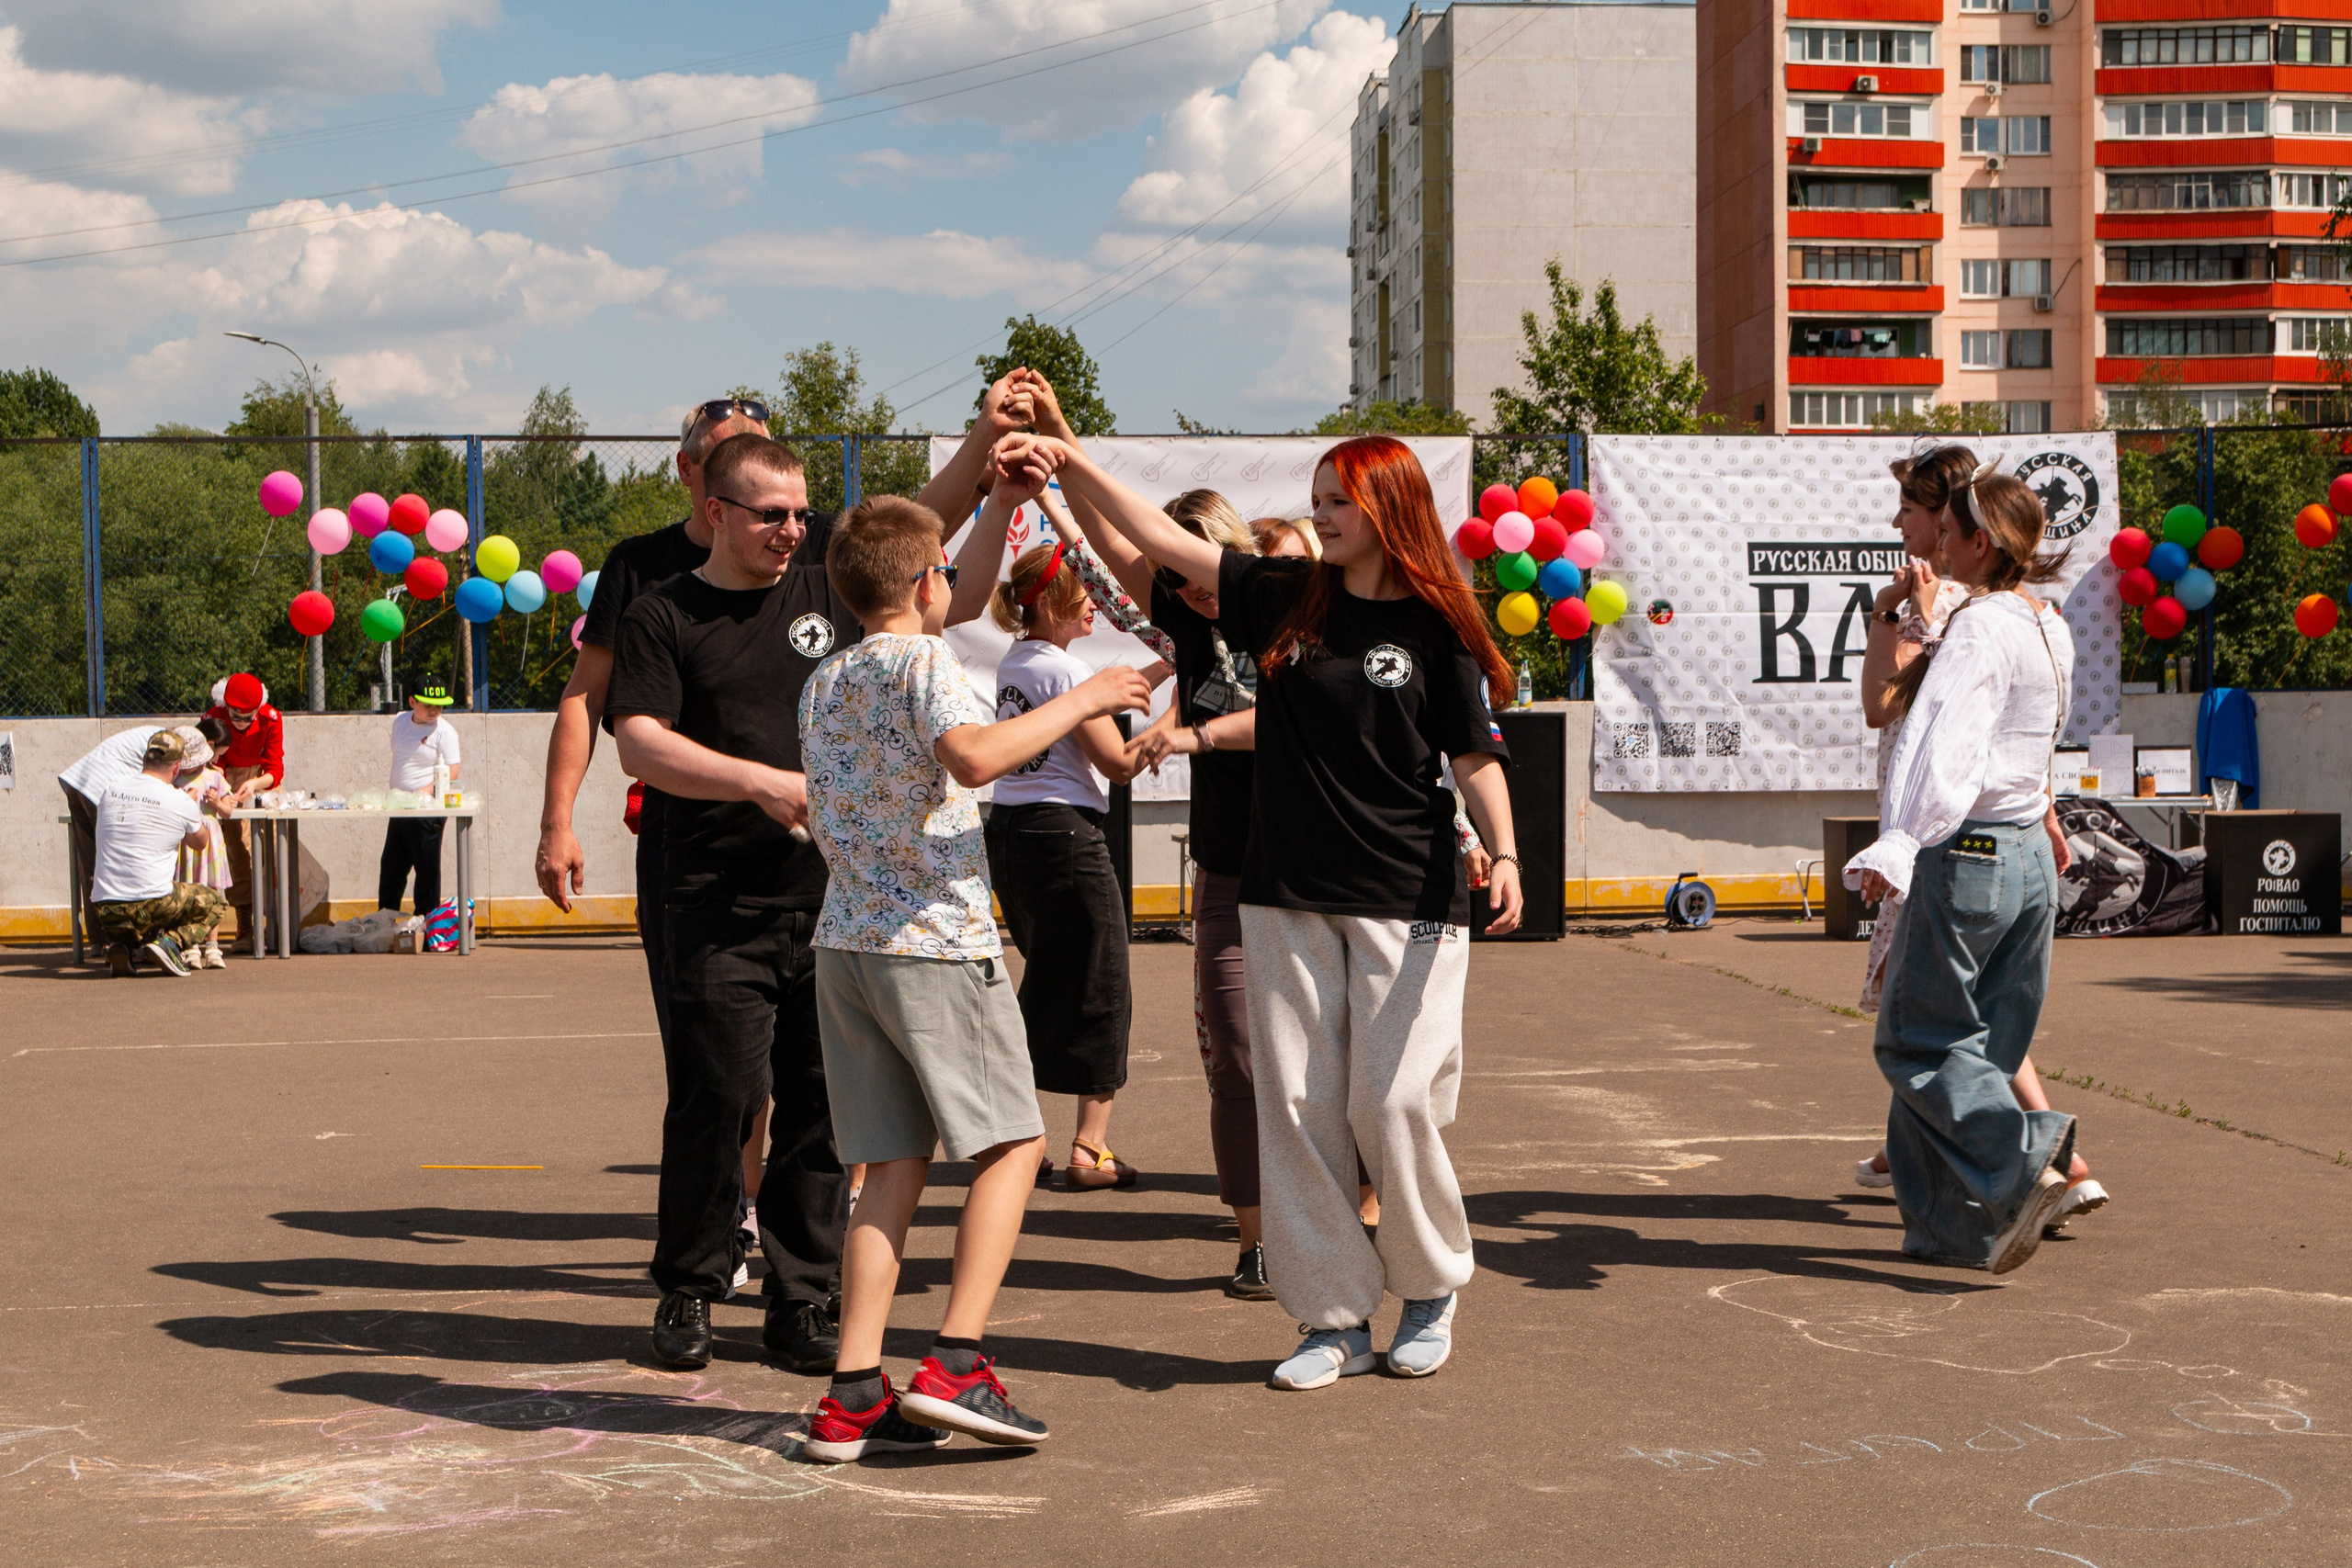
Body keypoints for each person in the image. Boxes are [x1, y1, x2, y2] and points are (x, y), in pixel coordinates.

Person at [1012, 430, 1522, 1391]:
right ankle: (1329, 1315)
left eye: (1340, 500)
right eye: (1319, 496)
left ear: (1389, 510)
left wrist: (1504, 849)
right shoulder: (1285, 601)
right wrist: (1067, 457)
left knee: (1392, 1097)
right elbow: (1164, 546)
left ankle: (1425, 1287)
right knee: (1296, 1105)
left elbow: (1473, 755)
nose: (1322, 512)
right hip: (1284, 892)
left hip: (1410, 898)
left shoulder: (1437, 625)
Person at [796, 491, 1152, 1463]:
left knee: (890, 1165)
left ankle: (853, 1392)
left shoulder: (826, 678)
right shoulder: (926, 660)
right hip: (935, 940)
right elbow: (973, 753)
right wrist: (1085, 696)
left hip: (850, 944)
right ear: (924, 583)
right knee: (1010, 1142)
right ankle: (957, 1360)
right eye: (947, 571)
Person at [606, 433, 864, 1375]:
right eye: (772, 514)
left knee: (822, 1109)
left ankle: (804, 1300)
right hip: (714, 898)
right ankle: (690, 1286)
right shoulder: (662, 613)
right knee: (718, 1099)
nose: (794, 530)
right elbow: (639, 743)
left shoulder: (830, 590)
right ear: (717, 512)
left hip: (832, 901)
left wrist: (993, 483)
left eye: (801, 513)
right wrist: (759, 781)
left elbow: (939, 574)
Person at [1853, 447, 2108, 1234]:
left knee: (1915, 1043)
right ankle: (1951, 1224)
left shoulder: (1973, 623)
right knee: (1986, 1047)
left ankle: (2034, 1154)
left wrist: (1898, 841)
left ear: (1976, 544)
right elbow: (2028, 742)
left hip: (1969, 848)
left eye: (1947, 528)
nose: (1927, 538)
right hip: (2024, 848)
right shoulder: (2047, 621)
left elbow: (1941, 741)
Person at [980, 540, 1146, 1190]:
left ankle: (1028, 1140)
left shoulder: (1017, 660)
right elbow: (1118, 762)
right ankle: (1091, 1146)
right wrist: (1182, 717)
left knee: (1045, 982)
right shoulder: (1065, 673)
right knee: (1101, 986)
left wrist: (1150, 680)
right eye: (1086, 600)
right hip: (1066, 836)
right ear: (1053, 603)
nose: (1095, 612)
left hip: (1013, 834)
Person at [59, 716, 229, 953]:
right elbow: (157, 792)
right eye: (193, 767)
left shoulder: (159, 739)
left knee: (95, 866)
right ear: (179, 762)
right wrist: (183, 800)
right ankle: (141, 947)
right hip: (101, 788)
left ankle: (103, 942)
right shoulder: (163, 752)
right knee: (133, 863)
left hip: (78, 784)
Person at [204, 672, 285, 953]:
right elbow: (213, 760)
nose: (239, 723)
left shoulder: (271, 718)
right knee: (237, 851)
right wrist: (226, 788)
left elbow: (275, 767)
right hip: (225, 779)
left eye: (246, 718)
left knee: (272, 849)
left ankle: (276, 923)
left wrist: (256, 783)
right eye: (234, 716)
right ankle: (244, 923)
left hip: (260, 781)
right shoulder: (212, 717)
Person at [380, 686, 461, 919]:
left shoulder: (445, 732)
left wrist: (421, 793)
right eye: (428, 705)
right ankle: (385, 922)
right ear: (412, 702)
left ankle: (427, 926)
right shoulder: (400, 722)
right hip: (400, 809)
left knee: (426, 871)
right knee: (392, 869)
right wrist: (403, 798)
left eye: (439, 706)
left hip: (426, 812)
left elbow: (452, 772)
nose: (434, 711)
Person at [175, 739, 235, 970]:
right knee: (187, 892)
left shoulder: (215, 777)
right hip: (187, 839)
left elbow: (229, 812)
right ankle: (190, 946)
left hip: (210, 837)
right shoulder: (176, 780)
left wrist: (217, 803)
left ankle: (212, 947)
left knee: (213, 891)